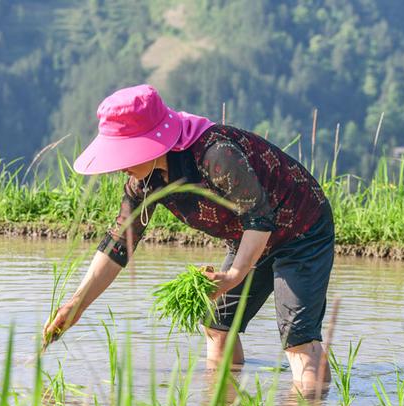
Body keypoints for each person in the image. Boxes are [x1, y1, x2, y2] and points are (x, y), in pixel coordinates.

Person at [42, 84, 333, 388]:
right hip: (249, 238)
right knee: (219, 327)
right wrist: (75, 305)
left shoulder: (215, 154)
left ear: (152, 143)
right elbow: (118, 245)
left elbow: (260, 219)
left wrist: (233, 275)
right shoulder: (144, 181)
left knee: (297, 341)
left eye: (125, 153)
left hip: (302, 230)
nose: (121, 166)